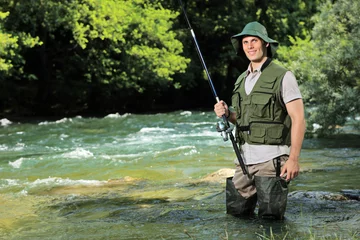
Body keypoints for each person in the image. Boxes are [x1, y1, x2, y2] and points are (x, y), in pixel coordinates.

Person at [214, 21, 306, 220]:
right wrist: (227, 114)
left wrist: (294, 159)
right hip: (243, 161)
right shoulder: (241, 80)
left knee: (270, 221)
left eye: (254, 40)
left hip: (271, 160)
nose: (249, 46)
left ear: (265, 44)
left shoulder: (283, 76)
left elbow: (298, 118)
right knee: (236, 217)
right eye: (245, 42)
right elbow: (243, 119)